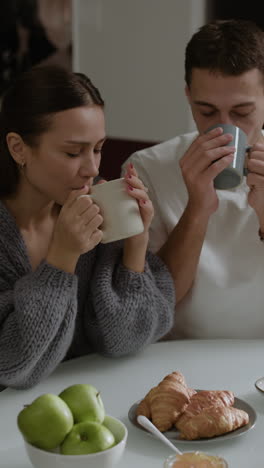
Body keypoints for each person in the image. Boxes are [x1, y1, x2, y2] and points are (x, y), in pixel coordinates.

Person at [0, 65, 175, 389]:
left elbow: (126, 340)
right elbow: (12, 365)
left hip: (92, 411)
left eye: (97, 149)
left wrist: (135, 243)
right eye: (72, 152)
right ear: (18, 148)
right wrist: (62, 259)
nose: (92, 168)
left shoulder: (96, 213)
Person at [123, 19, 264, 339]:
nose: (225, 127)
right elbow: (153, 305)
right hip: (178, 361)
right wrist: (198, 208)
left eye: (242, 112)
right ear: (188, 96)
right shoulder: (147, 170)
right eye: (206, 111)